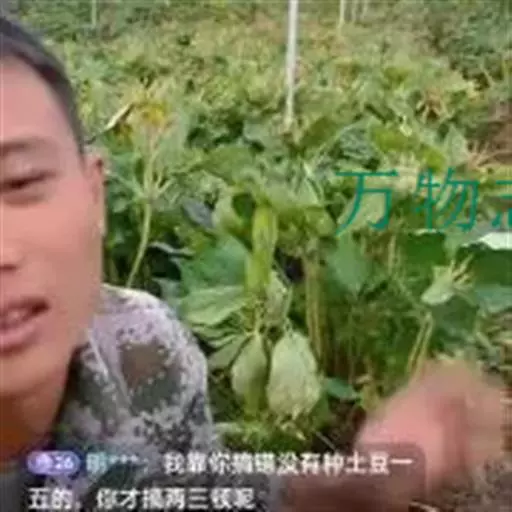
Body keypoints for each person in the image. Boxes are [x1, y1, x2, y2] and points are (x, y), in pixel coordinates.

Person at [0, 13, 505, 512]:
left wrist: (358, 484)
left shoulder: (146, 350)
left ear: (94, 195)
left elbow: (196, 492)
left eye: (20, 180)